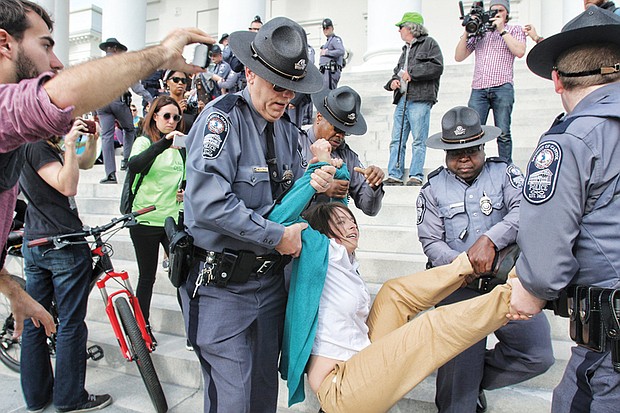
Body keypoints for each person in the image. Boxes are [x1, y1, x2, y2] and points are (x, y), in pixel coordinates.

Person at [0, 0, 212, 368]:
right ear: (4, 43)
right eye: (46, 45)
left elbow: (81, 162)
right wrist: (161, 53)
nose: (56, 62)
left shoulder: (15, 139)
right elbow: (58, 98)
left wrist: (10, 287)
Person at [272, 162, 518, 412]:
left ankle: (467, 267)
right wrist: (318, 172)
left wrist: (340, 171)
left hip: (361, 359)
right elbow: (279, 219)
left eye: (351, 220)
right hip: (340, 386)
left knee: (392, 293)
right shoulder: (317, 250)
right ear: (326, 232)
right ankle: (511, 298)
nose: (352, 225)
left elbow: (342, 197)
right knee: (430, 326)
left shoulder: (346, 260)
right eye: (342, 223)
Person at [180, 17, 332, 413]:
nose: (285, 98)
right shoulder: (222, 120)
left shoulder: (286, 131)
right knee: (232, 401)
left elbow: (291, 196)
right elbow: (209, 204)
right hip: (222, 289)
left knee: (264, 396)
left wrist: (325, 189)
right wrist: (277, 237)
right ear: (250, 72)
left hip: (269, 286)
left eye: (294, 91)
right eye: (278, 86)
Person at [508, 7, 620, 412]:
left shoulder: (571, 139)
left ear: (557, 80)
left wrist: (533, 287)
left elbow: (546, 256)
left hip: (610, 351)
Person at [417, 106, 554, 413]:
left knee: (537, 354)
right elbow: (431, 243)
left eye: (471, 151)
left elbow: (525, 211)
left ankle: (471, 379)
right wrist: (465, 265)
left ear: (483, 147)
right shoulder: (433, 188)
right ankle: (461, 390)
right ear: (445, 154)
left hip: (505, 283)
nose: (464, 159)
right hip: (458, 285)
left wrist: (490, 240)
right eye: (455, 153)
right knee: (458, 378)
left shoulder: (504, 173)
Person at [19, 119, 108, 412]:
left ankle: (36, 397)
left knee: (36, 319)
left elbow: (81, 165)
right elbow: (68, 185)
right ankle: (70, 398)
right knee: (69, 323)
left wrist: (90, 140)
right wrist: (69, 142)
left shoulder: (36, 144)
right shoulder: (36, 146)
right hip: (61, 243)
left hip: (37, 241)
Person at [126, 96, 186, 344]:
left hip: (172, 221)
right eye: (166, 116)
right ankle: (141, 328)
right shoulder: (144, 141)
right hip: (145, 220)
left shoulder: (180, 147)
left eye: (176, 117)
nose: (172, 122)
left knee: (183, 276)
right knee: (147, 276)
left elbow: (185, 177)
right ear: (155, 117)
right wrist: (162, 143)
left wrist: (185, 190)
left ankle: (193, 329)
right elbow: (135, 165)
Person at [455, 0, 526, 163]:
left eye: (500, 11)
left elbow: (520, 51)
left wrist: (502, 30)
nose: (496, 14)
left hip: (502, 86)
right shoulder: (480, 32)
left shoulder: (514, 30)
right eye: (493, 11)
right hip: (479, 88)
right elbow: (459, 56)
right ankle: (477, 166)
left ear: (507, 13)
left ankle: (506, 168)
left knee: (503, 133)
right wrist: (467, 31)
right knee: (474, 132)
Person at [298, 85, 385, 216]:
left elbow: (370, 209)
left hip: (330, 231)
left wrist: (374, 185)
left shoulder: (348, 156)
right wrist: (319, 188)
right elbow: (280, 195)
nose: (341, 136)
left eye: (346, 133)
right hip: (295, 230)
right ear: (319, 117)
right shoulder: (295, 142)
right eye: (337, 129)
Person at [383, 12, 444, 187]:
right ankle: (394, 174)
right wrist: (392, 82)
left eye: (401, 27)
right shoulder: (405, 50)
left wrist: (414, 73)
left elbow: (437, 66)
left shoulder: (429, 43)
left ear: (410, 28)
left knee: (418, 139)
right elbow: (397, 71)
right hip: (402, 98)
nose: (399, 31)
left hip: (420, 98)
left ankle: (416, 175)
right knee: (397, 140)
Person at [96, 37, 154, 183]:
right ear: (115, 49)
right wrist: (151, 100)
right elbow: (136, 86)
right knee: (128, 129)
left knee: (107, 136)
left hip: (101, 103)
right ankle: (126, 160)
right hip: (117, 100)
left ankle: (110, 174)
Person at [287, 35, 316, 127]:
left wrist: (294, 100)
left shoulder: (306, 51)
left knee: (293, 126)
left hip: (296, 96)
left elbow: (305, 74)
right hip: (288, 94)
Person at [319, 18, 345, 90]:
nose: (325, 30)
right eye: (324, 29)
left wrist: (326, 52)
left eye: (327, 28)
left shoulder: (335, 39)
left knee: (329, 92)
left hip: (331, 71)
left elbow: (341, 51)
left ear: (332, 28)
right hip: (325, 72)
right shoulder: (328, 41)